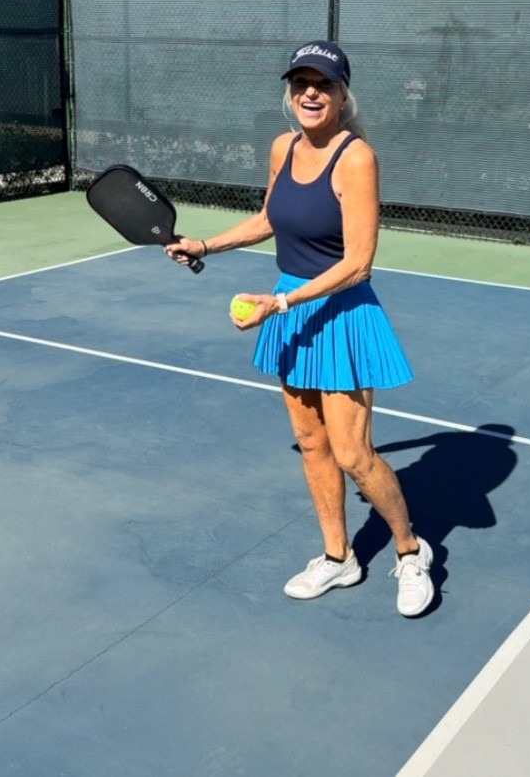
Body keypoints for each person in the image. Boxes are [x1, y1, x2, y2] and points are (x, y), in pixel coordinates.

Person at [165, 41, 434, 617]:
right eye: (300, 83)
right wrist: (204, 244)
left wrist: (280, 303)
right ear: (290, 95)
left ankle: (411, 551)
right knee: (312, 444)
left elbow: (358, 262)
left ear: (342, 94)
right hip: (287, 307)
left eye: (323, 84)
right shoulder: (283, 148)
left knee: (354, 453)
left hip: (337, 312)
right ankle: (339, 558)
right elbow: (268, 218)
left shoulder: (356, 157)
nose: (310, 93)